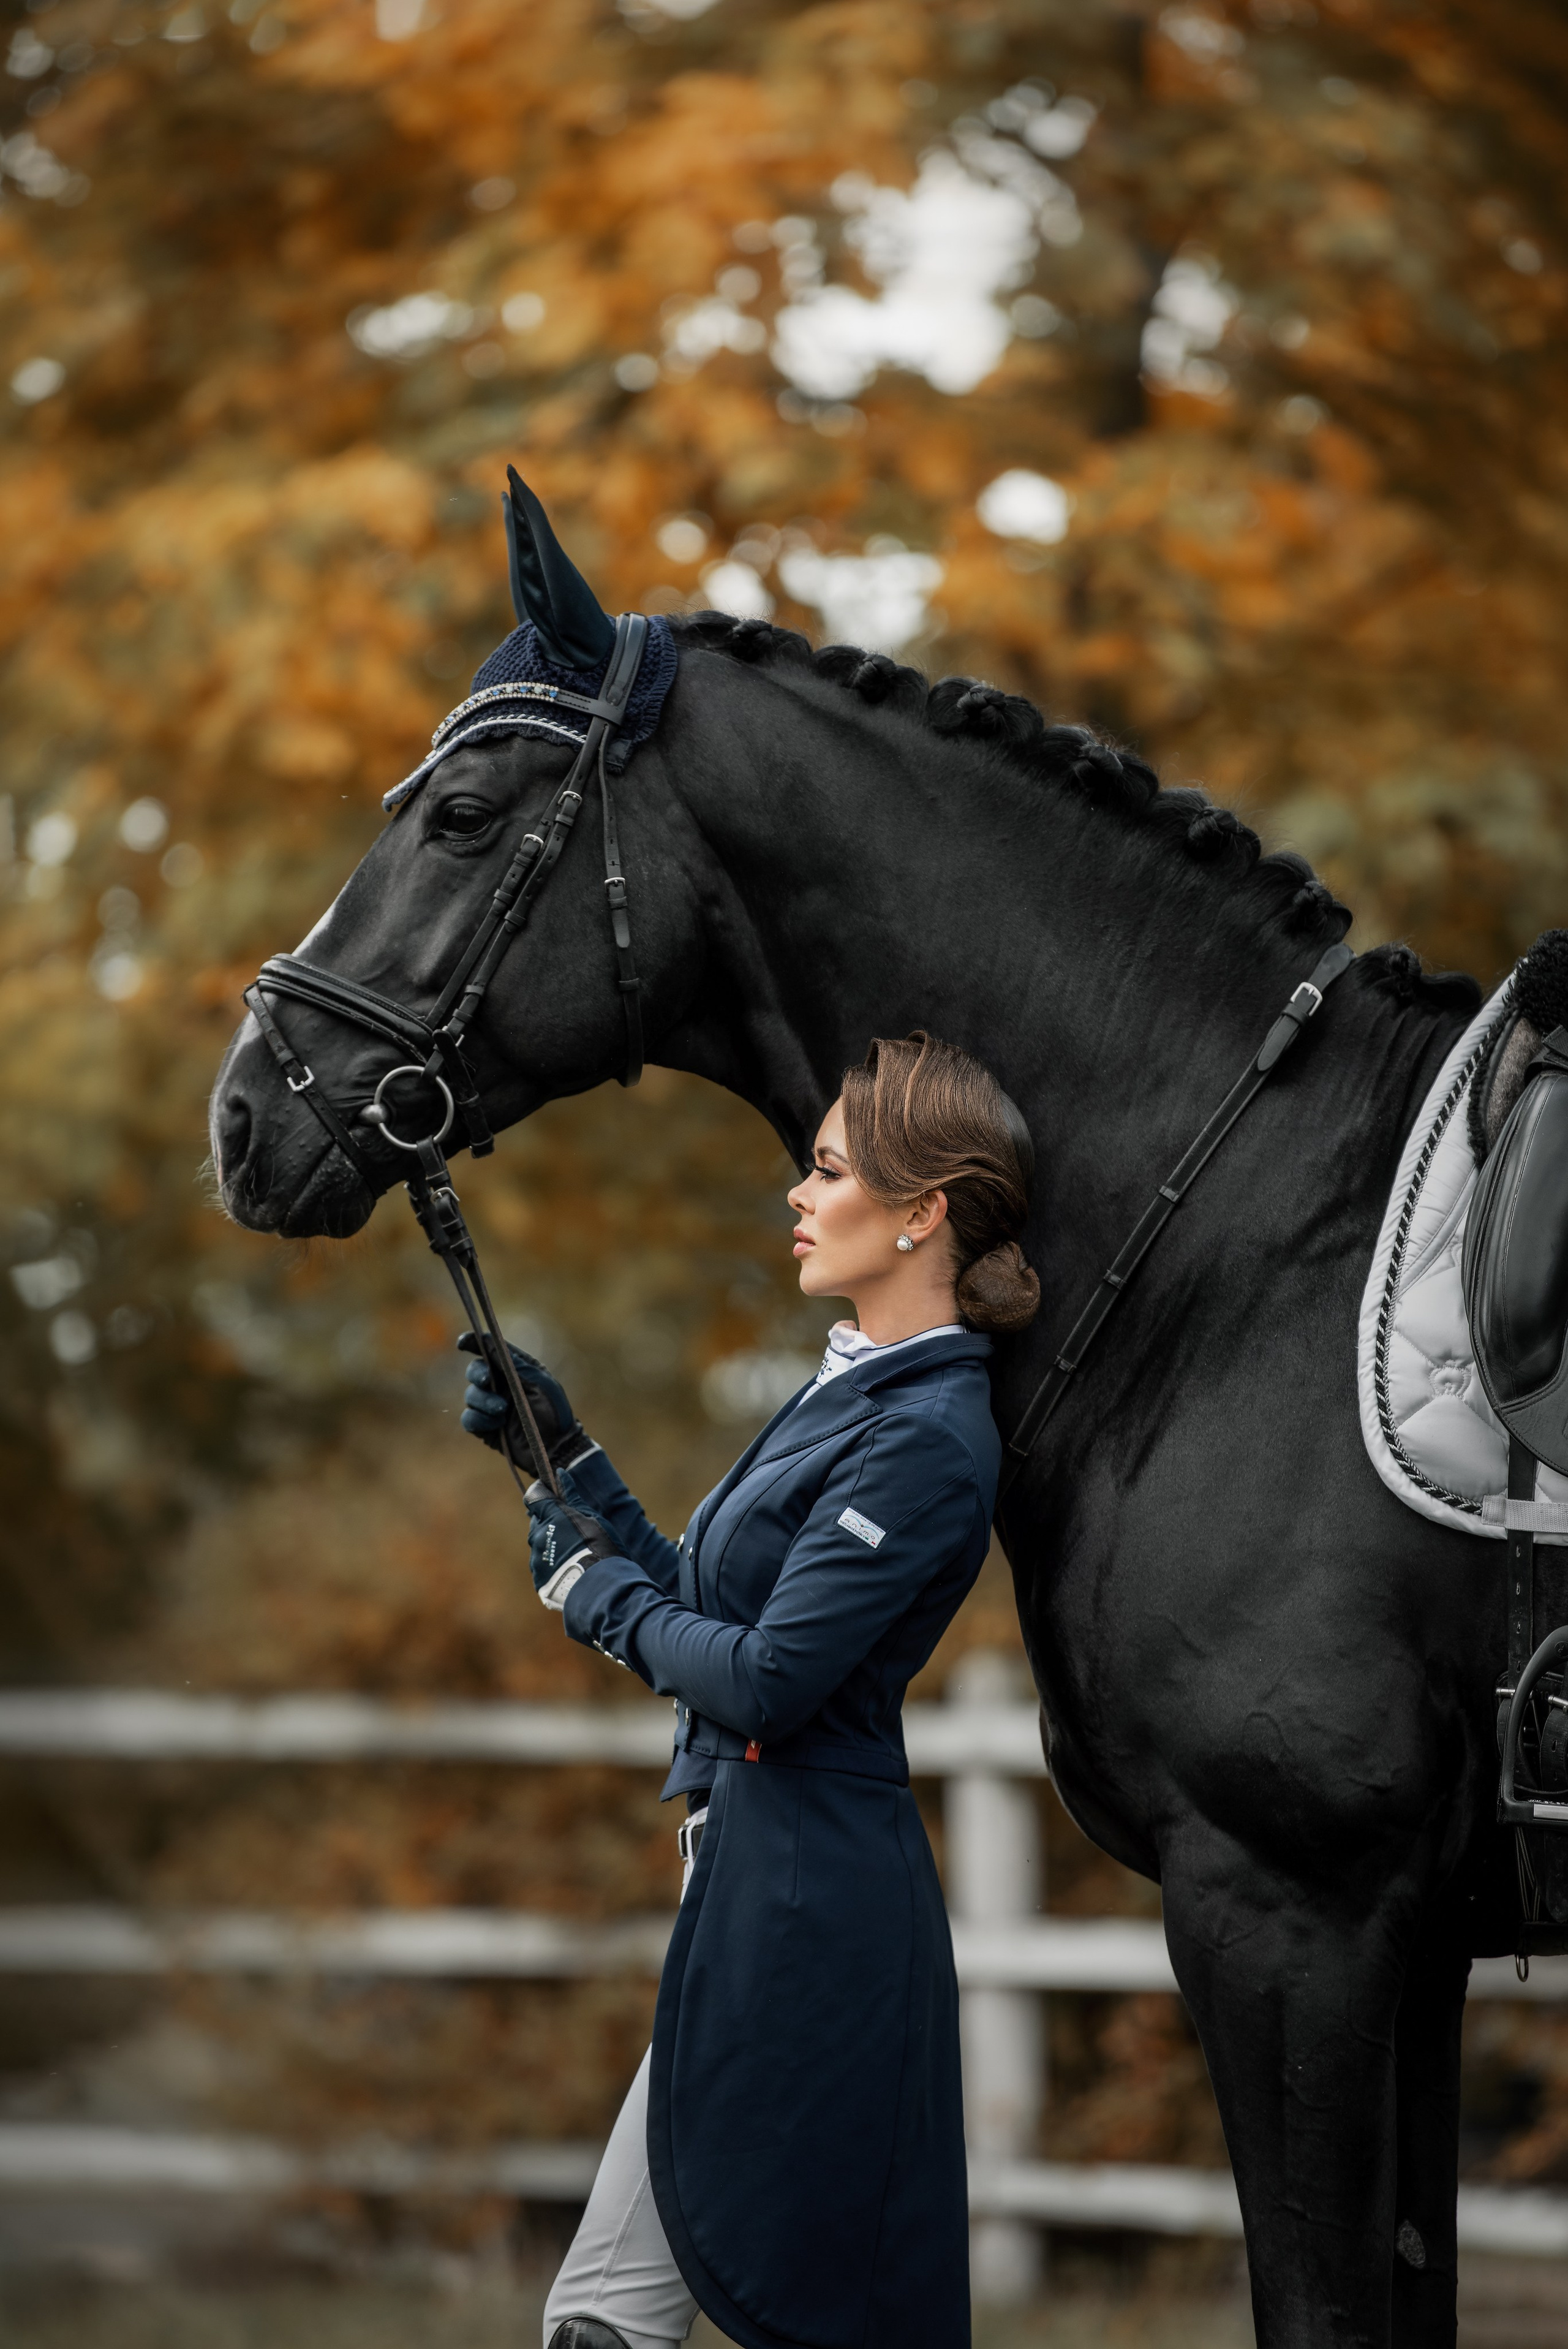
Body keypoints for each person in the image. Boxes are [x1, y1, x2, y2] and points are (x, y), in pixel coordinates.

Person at [459, 1032, 1039, 2349]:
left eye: (825, 1169)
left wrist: (588, 1599)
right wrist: (571, 1464)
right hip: (749, 1896)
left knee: (659, 2322)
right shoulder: (851, 1388)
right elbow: (712, 1601)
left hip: (811, 1923)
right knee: (604, 2321)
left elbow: (771, 1681)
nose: (796, 1192)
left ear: (918, 1214)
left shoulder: (926, 1436)